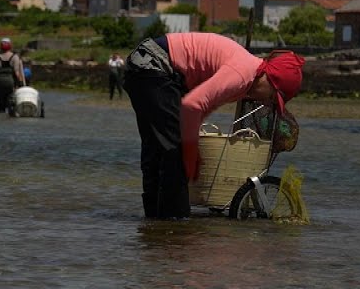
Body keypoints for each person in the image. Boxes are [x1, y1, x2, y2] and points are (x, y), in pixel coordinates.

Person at [122, 32, 305, 219]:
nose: (268, 103)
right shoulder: (242, 74)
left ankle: (155, 226)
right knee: (177, 150)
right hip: (153, 65)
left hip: (146, 65)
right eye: (273, 97)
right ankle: (176, 226)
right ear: (269, 78)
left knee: (158, 150)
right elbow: (193, 105)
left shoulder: (247, 75)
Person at [0, 38, 25, 114]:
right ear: (10, 46)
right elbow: (17, 73)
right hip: (10, 83)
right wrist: (21, 83)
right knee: (11, 103)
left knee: (0, 105)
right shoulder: (15, 57)